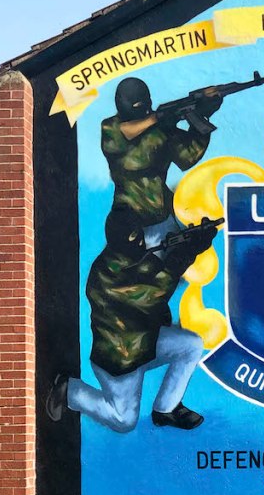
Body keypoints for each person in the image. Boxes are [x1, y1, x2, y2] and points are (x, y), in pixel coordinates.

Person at [46, 209, 218, 432]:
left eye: (138, 235)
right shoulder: (107, 275)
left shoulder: (135, 258)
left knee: (191, 345)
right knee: (124, 421)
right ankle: (70, 391)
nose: (139, 242)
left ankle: (166, 409)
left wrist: (190, 245)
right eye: (132, 237)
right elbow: (152, 292)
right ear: (118, 240)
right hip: (121, 357)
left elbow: (161, 272)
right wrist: (188, 252)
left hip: (145, 343)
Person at [102, 76, 221, 248]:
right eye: (137, 105)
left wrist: (201, 118)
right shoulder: (111, 128)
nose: (143, 109)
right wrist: (158, 118)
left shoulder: (161, 131)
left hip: (161, 219)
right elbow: (126, 147)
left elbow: (188, 157)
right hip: (129, 227)